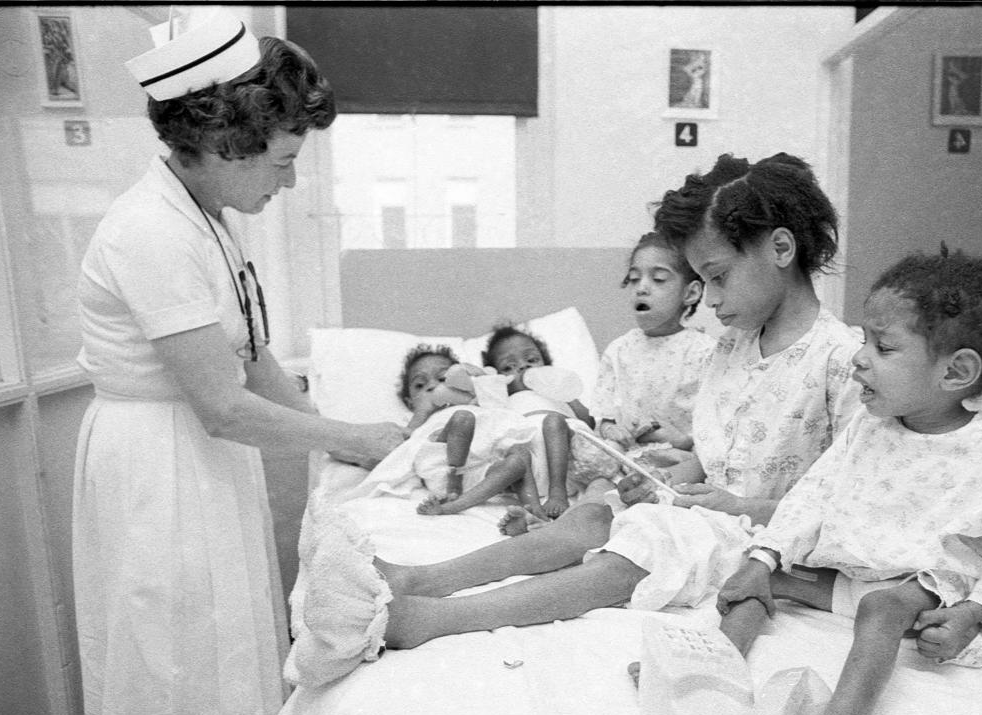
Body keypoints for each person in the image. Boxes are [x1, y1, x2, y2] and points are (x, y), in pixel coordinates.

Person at [302, 151, 862, 656]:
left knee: (642, 546)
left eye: (717, 278)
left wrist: (728, 503)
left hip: (768, 542)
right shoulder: (733, 348)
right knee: (594, 511)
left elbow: (844, 508)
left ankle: (439, 618)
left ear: (781, 249)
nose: (709, 300)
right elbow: (721, 453)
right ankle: (419, 579)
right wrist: (681, 471)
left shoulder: (843, 363)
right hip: (704, 513)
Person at [71, 8, 403, 715]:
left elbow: (251, 356)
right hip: (162, 466)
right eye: (284, 162)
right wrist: (350, 436)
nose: (288, 182)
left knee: (204, 703)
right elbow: (222, 404)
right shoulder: (151, 231)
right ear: (227, 142)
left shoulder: (205, 216)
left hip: (193, 458)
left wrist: (342, 451)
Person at [713, 247, 982, 715]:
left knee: (882, 606)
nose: (858, 359)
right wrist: (764, 558)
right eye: (862, 340)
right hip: (849, 574)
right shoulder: (868, 428)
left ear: (956, 371)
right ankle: (717, 669)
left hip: (922, 591)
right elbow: (813, 496)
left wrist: (976, 611)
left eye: (883, 346)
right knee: (758, 574)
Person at [372, 343, 546, 520]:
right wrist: (422, 411)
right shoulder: (417, 417)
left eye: (442, 379)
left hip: (481, 472)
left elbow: (494, 410)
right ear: (409, 402)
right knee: (462, 418)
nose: (433, 386)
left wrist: (475, 382)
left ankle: (532, 511)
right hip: (445, 466)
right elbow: (408, 440)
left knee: (518, 457)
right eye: (420, 385)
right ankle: (454, 480)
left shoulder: (471, 401)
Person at [591, 231, 714, 457]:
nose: (641, 288)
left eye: (658, 279)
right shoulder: (618, 350)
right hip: (626, 454)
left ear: (691, 293)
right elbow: (602, 414)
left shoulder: (704, 352)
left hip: (680, 455)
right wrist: (612, 430)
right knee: (597, 471)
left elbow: (717, 424)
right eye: (634, 279)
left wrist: (683, 441)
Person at [481, 325, 619, 519]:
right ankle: (532, 511)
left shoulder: (558, 393)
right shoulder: (504, 400)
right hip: (535, 471)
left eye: (531, 360)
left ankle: (558, 493)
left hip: (573, 460)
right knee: (512, 451)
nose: (523, 367)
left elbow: (587, 421)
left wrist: (568, 395)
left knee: (553, 421)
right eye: (508, 367)